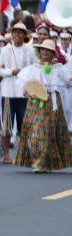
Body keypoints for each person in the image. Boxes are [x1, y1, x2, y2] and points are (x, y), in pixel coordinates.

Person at [14, 39, 72, 172]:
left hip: (52, 102)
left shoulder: (59, 68)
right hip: (35, 102)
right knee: (35, 131)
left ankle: (44, 162)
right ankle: (37, 161)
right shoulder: (32, 68)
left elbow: (68, 82)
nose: (44, 52)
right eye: (43, 50)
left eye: (48, 50)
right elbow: (24, 85)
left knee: (49, 133)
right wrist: (27, 91)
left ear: (53, 53)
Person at [0, 23, 37, 163]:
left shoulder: (31, 50)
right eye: (15, 32)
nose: (17, 35)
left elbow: (35, 68)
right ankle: (6, 155)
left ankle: (25, 155)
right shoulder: (5, 50)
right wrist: (11, 72)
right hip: (8, 92)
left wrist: (24, 73)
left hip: (24, 93)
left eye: (21, 33)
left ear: (24, 35)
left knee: (24, 125)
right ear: (12, 34)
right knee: (6, 125)